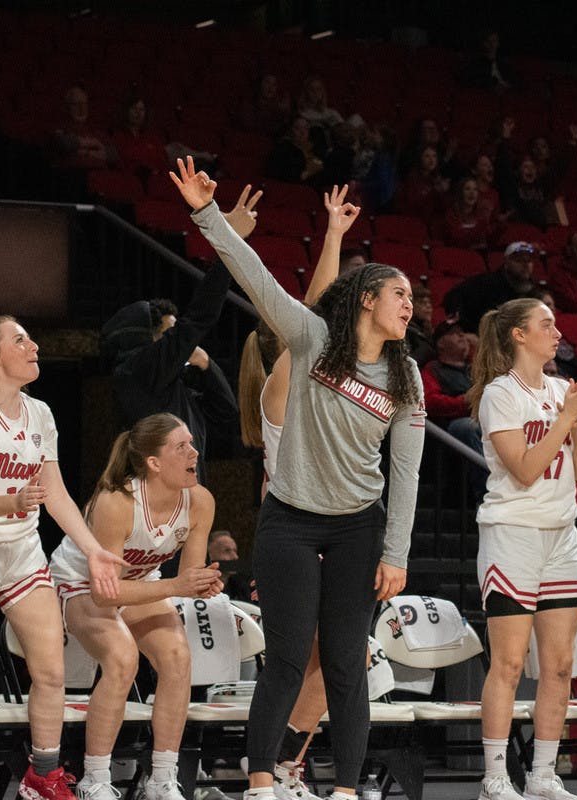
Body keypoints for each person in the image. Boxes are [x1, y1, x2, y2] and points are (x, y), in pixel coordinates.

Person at [170, 156, 425, 800]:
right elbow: (257, 281)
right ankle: (260, 782)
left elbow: (408, 471)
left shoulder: (407, 376)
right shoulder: (312, 341)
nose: (410, 306)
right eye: (400, 294)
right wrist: (207, 216)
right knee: (285, 659)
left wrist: (395, 552)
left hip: (358, 526)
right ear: (368, 298)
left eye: (413, 299)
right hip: (288, 518)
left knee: (345, 663)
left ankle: (342, 789)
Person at [0, 316, 126, 800]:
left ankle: (41, 776)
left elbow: (55, 493)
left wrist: (95, 551)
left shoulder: (40, 413)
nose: (34, 345)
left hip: (22, 553)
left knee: (53, 671)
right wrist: (15, 502)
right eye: (20, 340)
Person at [235, 185, 364, 800]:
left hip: (331, 530)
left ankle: (284, 762)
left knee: (340, 662)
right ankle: (267, 768)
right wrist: (333, 236)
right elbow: (314, 310)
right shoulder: (284, 387)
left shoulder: (326, 392)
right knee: (294, 662)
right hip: (292, 532)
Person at [467, 297, 577, 800]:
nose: (557, 331)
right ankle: (495, 777)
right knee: (508, 663)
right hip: (512, 533)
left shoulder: (563, 390)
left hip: (562, 535)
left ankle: (544, 774)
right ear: (518, 335)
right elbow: (522, 470)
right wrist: (566, 420)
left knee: (561, 664)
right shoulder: (500, 394)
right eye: (547, 324)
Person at [50, 413, 220, 800]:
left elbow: (189, 576)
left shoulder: (200, 502)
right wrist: (178, 585)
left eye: (191, 443)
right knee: (123, 657)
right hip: (79, 583)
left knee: (177, 656)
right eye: (181, 447)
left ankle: (161, 778)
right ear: (153, 463)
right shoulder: (116, 501)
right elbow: (105, 594)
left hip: (138, 584)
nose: (194, 452)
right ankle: (94, 778)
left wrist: (202, 582)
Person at [101, 189, 260, 475]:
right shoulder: (136, 370)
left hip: (190, 502)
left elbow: (226, 413)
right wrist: (228, 241)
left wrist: (208, 366)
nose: (181, 344)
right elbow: (199, 318)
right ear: (148, 338)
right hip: (156, 507)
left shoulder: (174, 385)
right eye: (170, 335)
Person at [444, 242, 537, 334]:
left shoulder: (535, 291)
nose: (526, 265)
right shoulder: (485, 283)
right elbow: (452, 298)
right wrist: (468, 331)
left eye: (529, 260)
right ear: (506, 262)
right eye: (519, 260)